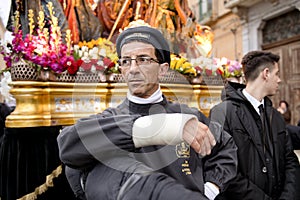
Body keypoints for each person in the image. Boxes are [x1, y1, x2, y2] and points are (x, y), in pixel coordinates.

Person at [57, 26, 238, 200]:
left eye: (143, 59)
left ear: (163, 69)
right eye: (126, 61)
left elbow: (226, 147)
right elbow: (68, 145)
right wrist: (160, 129)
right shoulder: (110, 119)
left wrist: (211, 188)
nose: (133, 69)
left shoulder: (190, 116)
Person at [209, 51, 299, 199]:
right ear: (266, 73)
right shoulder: (222, 113)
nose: (279, 80)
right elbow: (222, 167)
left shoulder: (276, 116)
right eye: (277, 74)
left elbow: (290, 160)